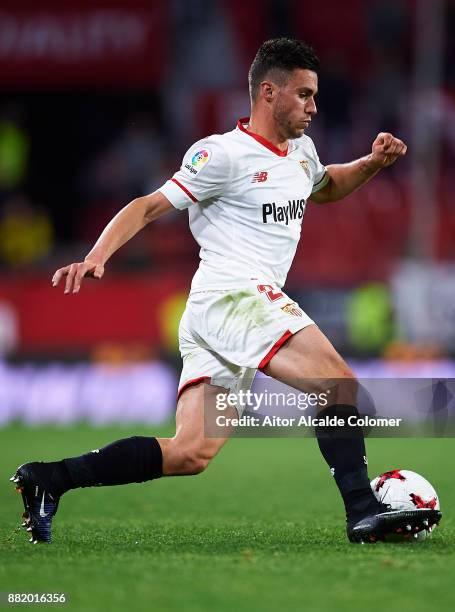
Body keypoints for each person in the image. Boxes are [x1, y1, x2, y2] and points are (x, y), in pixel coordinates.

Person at [11, 38, 440, 544]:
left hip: (224, 312)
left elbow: (324, 188)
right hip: (231, 294)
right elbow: (148, 205)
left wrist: (370, 163)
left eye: (315, 95)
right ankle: (363, 511)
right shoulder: (221, 154)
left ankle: (50, 479)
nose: (313, 106)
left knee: (190, 452)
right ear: (267, 92)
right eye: (303, 94)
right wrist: (96, 256)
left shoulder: (300, 151)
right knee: (339, 386)